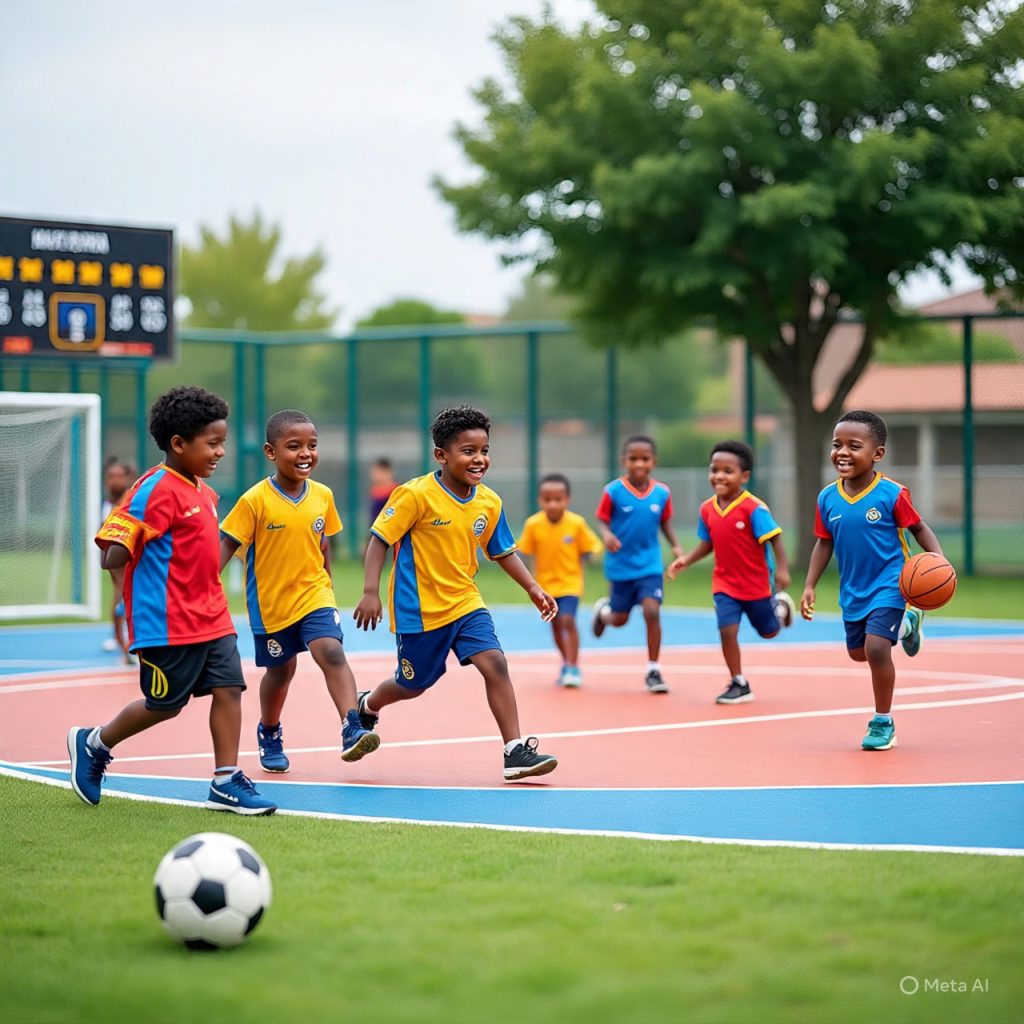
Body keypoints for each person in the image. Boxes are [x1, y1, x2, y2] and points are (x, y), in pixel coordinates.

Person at [68, 385, 276, 814]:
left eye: (223, 442)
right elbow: (113, 552)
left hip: (212, 616)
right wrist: (129, 561)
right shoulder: (155, 488)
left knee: (230, 687)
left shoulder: (203, 491)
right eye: (212, 443)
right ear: (179, 444)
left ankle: (225, 780)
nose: (221, 452)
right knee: (165, 706)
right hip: (167, 624)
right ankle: (94, 742)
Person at [352, 404, 559, 781]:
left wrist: (533, 587)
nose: (479, 459)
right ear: (441, 455)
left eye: (484, 451)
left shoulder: (489, 502)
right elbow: (379, 540)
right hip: (419, 611)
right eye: (468, 451)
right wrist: (370, 591)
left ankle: (514, 752)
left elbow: (502, 551)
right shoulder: (414, 495)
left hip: (466, 602)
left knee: (495, 662)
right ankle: (367, 705)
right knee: (412, 685)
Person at [219, 409, 378, 772]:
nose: (306, 453)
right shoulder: (254, 500)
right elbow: (226, 545)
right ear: (271, 452)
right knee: (280, 672)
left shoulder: (323, 495)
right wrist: (205, 586)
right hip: (271, 605)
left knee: (331, 652)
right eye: (294, 446)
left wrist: (329, 585)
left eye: (312, 445)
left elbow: (322, 545)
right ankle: (270, 730)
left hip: (314, 594)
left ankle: (352, 727)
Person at [800, 410, 944, 752]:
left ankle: (883, 722)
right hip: (853, 589)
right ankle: (909, 626)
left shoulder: (892, 494)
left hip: (891, 582)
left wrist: (938, 560)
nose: (842, 452)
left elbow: (919, 528)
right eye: (837, 445)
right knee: (857, 652)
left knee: (877, 648)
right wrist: (809, 585)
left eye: (854, 445)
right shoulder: (827, 498)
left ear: (877, 454)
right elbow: (824, 542)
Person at [667, 440, 795, 704]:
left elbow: (776, 539)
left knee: (768, 632)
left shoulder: (754, 509)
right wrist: (686, 560)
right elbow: (708, 543)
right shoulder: (707, 509)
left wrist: (782, 569)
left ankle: (779, 609)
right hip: (724, 584)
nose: (719, 476)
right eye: (715, 469)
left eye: (728, 471)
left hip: (756, 585)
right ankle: (738, 681)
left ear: (744, 476)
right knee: (727, 630)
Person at [591, 435, 683, 694]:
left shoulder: (662, 493)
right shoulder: (612, 491)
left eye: (645, 458)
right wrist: (606, 535)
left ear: (654, 461)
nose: (639, 463)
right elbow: (602, 520)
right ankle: (604, 613)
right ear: (624, 461)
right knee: (619, 618)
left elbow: (665, 523)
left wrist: (676, 546)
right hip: (621, 566)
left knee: (651, 611)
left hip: (650, 565)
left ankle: (653, 669)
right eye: (633, 459)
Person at [518, 472, 602, 687]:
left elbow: (593, 545)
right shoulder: (533, 524)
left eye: (558, 499)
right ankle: (566, 662)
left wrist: (591, 555)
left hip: (570, 584)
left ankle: (574, 667)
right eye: (547, 500)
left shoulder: (576, 523)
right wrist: (529, 582)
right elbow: (524, 552)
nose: (553, 504)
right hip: (545, 587)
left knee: (567, 620)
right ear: (540, 500)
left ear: (567, 500)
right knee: (555, 626)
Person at [100, 457, 135, 661]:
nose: (114, 480)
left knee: (127, 602)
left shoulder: (129, 499)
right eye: (110, 476)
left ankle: (130, 646)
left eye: (119, 476)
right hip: (114, 563)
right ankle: (120, 640)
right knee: (117, 603)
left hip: (129, 560)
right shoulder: (107, 504)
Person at [367, 457, 398, 524]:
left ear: (387, 472)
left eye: (377, 472)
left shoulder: (396, 493)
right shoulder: (375, 492)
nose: (373, 475)